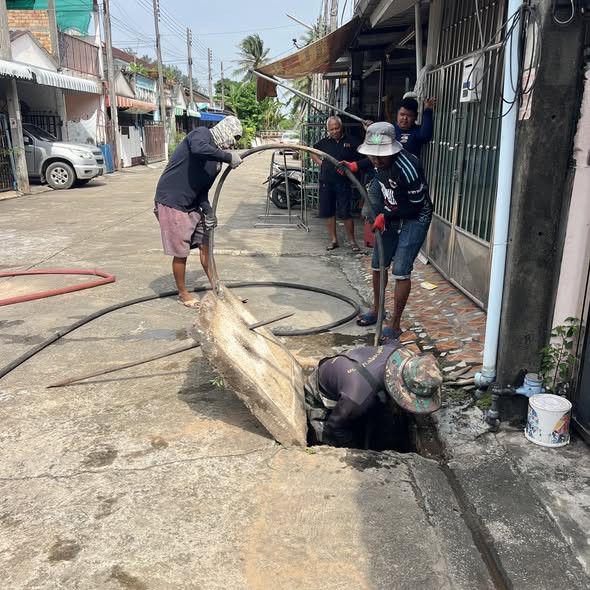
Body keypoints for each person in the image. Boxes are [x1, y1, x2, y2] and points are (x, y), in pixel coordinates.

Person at [354, 122, 433, 342]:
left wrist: (385, 216)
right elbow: (371, 166)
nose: (377, 161)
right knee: (378, 263)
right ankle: (377, 310)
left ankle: (395, 325)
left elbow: (415, 206)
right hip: (390, 211)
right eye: (373, 155)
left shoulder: (409, 167)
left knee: (400, 269)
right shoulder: (376, 161)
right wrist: (353, 166)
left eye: (382, 156)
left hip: (415, 216)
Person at [154, 116, 243, 308]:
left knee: (205, 246)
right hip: (173, 201)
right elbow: (198, 149)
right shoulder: (201, 134)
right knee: (181, 251)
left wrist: (209, 212)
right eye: (234, 137)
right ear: (225, 130)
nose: (233, 143)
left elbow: (203, 189)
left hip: (193, 203)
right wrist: (228, 157)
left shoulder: (216, 163)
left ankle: (218, 289)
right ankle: (183, 293)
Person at [305, 342, 442, 448]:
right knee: (328, 441)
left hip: (353, 371)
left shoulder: (398, 350)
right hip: (322, 392)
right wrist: (357, 451)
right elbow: (335, 426)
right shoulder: (357, 397)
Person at [311, 116, 363, 252]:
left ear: (341, 127)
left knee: (345, 212)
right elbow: (312, 151)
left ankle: (352, 241)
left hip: (343, 182)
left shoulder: (351, 141)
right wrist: (321, 163)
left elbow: (361, 157)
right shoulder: (324, 143)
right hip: (326, 182)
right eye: (331, 129)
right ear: (328, 130)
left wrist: (352, 166)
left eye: (337, 128)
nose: (334, 131)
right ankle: (334, 240)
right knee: (329, 212)